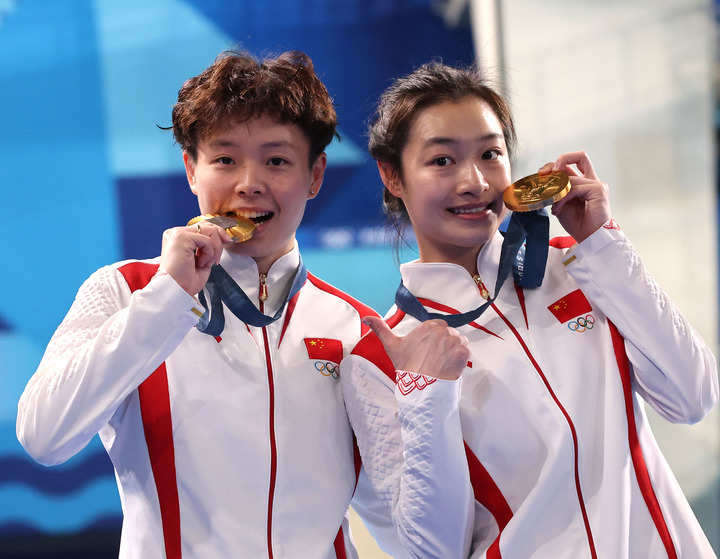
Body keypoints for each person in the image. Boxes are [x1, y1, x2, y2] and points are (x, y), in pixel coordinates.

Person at [16, 49, 438, 559]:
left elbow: (400, 522)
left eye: (277, 160)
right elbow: (44, 435)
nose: (249, 183)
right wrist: (166, 298)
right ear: (191, 169)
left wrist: (430, 397)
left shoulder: (354, 324)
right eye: (224, 159)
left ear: (316, 175)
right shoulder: (125, 290)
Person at [341, 61, 719, 558]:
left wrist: (603, 245)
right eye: (441, 161)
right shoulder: (383, 355)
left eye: (490, 154)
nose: (474, 181)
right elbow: (434, 549)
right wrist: (425, 392)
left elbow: (692, 397)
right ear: (393, 176)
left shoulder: (579, 264)